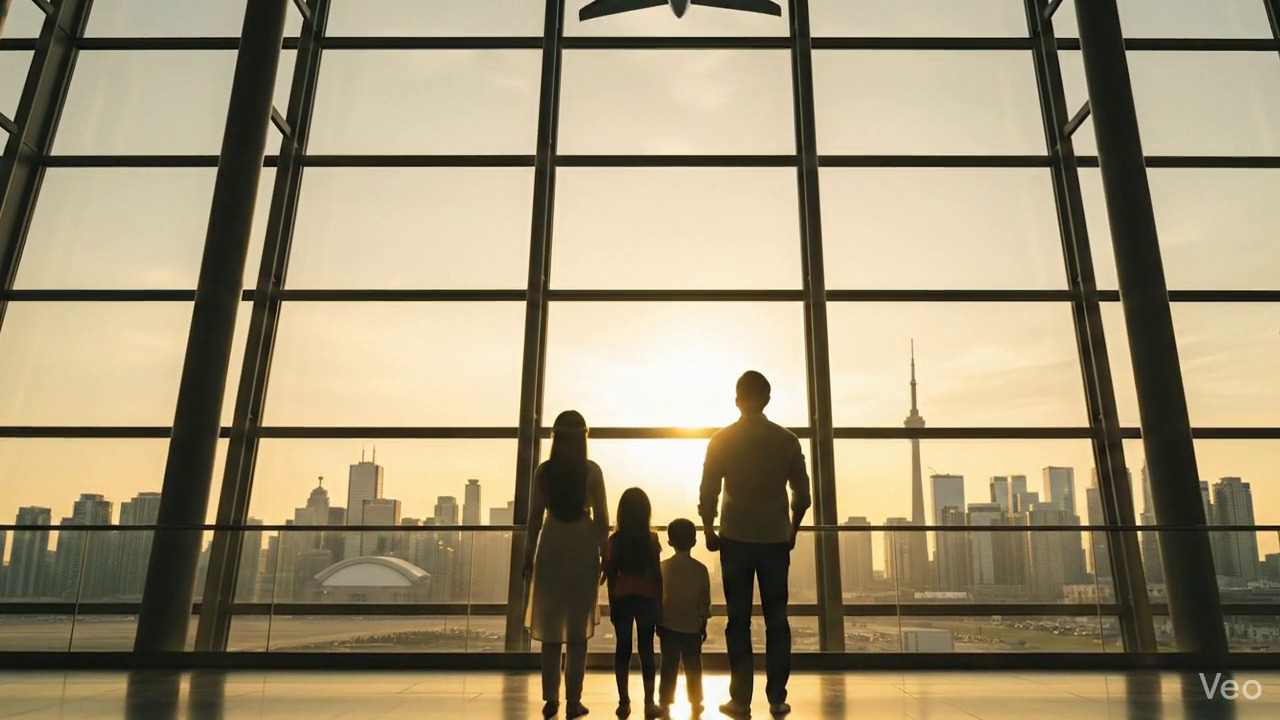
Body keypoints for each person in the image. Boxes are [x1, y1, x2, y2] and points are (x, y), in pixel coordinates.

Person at [699, 371, 811, 718]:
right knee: (778, 620)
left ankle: (741, 700)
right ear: (767, 399)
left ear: (737, 400)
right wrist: (792, 529)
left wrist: (708, 528)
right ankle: (777, 697)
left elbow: (708, 491)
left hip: (735, 537)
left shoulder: (722, 440)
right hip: (775, 539)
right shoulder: (788, 440)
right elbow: (802, 495)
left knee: (737, 621)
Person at [524, 410, 610, 720]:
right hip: (582, 545)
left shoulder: (544, 472)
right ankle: (574, 700)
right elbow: (602, 518)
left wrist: (528, 556)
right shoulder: (591, 471)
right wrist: (605, 554)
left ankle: (551, 699)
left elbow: (535, 517)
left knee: (550, 629)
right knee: (577, 630)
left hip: (552, 544)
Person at [603, 488, 664, 719]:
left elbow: (610, 573)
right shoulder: (651, 539)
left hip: (623, 598)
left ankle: (624, 702)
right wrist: (659, 606)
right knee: (646, 650)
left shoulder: (615, 541)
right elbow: (657, 575)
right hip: (647, 599)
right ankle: (649, 703)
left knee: (623, 649)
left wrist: (612, 602)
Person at [657, 518, 710, 718]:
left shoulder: (663, 568)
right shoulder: (700, 569)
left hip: (668, 626)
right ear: (694, 541)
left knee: (668, 666)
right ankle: (696, 702)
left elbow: (658, 598)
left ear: (670, 542)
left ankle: (664, 703)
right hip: (692, 627)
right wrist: (703, 623)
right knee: (693, 667)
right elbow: (704, 602)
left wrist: (658, 622)